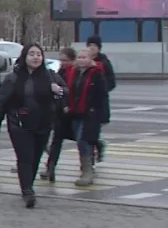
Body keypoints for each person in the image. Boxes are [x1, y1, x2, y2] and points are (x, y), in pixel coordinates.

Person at [0, 43, 65, 208]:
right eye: (32, 54)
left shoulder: (50, 76)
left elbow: (66, 92)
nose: (36, 57)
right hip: (19, 124)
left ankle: (28, 185)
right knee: (25, 157)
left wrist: (59, 91)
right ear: (24, 57)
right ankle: (27, 191)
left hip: (43, 123)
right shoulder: (14, 78)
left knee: (35, 158)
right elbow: (0, 102)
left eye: (39, 54)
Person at [60, 48, 108, 186]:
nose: (81, 60)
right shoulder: (74, 73)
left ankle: (87, 171)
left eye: (84, 57)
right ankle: (87, 168)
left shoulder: (97, 73)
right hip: (75, 112)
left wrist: (104, 116)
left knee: (83, 140)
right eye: (79, 57)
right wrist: (67, 105)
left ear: (90, 59)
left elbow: (103, 95)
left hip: (91, 114)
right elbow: (70, 91)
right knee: (81, 141)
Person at [42, 47, 77, 182]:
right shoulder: (60, 72)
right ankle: (50, 168)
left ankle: (88, 163)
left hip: (73, 112)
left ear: (72, 60)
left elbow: (73, 91)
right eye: (61, 60)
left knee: (81, 139)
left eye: (65, 60)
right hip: (60, 112)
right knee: (56, 141)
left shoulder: (76, 71)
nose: (62, 63)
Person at [86, 35, 116, 162]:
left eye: (94, 46)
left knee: (93, 131)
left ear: (99, 48)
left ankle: (93, 155)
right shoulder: (84, 60)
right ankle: (92, 153)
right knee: (86, 133)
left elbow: (111, 81)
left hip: (98, 104)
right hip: (84, 102)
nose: (92, 48)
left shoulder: (104, 62)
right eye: (90, 45)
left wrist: (101, 89)